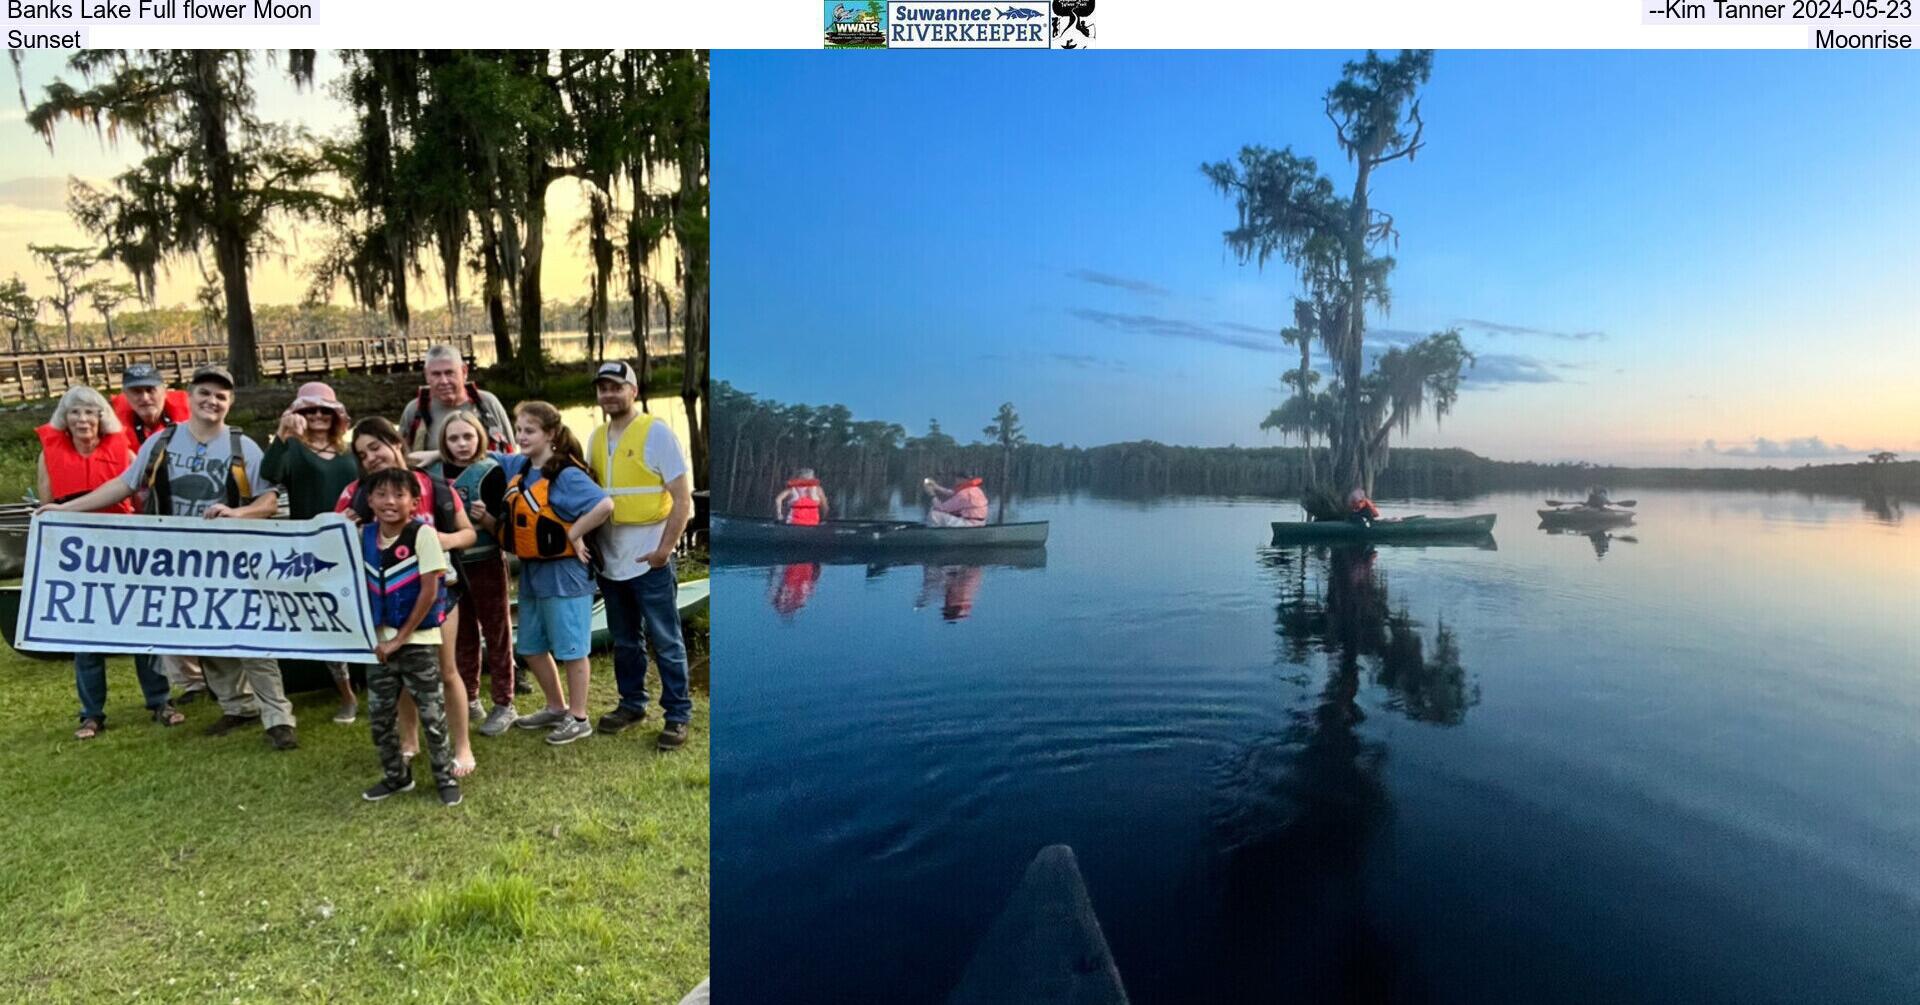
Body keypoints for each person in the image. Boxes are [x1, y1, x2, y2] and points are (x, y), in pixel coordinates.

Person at [43, 365, 295, 750]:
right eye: (204, 393)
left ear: (230, 403)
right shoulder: (161, 443)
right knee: (205, 635)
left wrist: (238, 513)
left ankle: (278, 718)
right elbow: (124, 484)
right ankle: (237, 706)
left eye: (221, 396)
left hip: (232, 557)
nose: (212, 401)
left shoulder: (243, 446)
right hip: (178, 564)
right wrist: (63, 510)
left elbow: (269, 500)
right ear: (189, 396)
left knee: (251, 636)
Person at [38, 385, 184, 739]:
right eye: (75, 413)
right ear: (65, 419)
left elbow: (142, 500)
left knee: (140, 628)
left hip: (122, 553)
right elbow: (46, 507)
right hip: (79, 557)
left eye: (91, 412)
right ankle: (91, 714)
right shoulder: (48, 456)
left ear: (102, 418)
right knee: (85, 635)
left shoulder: (126, 452)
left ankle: (160, 701)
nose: (83, 419)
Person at [337, 417, 479, 776]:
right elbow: (332, 542)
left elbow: (468, 534)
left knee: (447, 671)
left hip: (439, 592)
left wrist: (437, 541)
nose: (370, 457)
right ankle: (409, 740)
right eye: (362, 453)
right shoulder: (356, 493)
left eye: (376, 446)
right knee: (397, 669)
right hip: (387, 599)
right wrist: (345, 528)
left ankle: (462, 747)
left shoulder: (432, 485)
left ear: (396, 443)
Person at [584, 361, 696, 748]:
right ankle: (632, 703)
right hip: (611, 561)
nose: (609, 394)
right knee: (625, 640)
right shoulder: (596, 438)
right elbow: (590, 496)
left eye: (616, 386)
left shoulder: (656, 433)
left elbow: (683, 500)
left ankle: (678, 714)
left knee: (666, 639)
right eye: (602, 388)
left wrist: (664, 551)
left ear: (632, 390)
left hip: (649, 558)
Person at [496, 400, 613, 746]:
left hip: (566, 575)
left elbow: (604, 505)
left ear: (550, 434)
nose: (521, 436)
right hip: (533, 574)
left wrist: (574, 534)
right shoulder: (521, 466)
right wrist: (431, 457)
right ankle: (556, 706)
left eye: (529, 431)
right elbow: (484, 457)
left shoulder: (566, 474)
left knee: (572, 649)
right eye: (518, 430)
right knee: (530, 646)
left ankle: (578, 718)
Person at [357, 467, 461, 807]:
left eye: (399, 495)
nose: (390, 502)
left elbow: (429, 591)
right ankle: (396, 777)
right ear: (370, 500)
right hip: (378, 645)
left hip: (417, 642)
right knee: (380, 718)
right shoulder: (363, 537)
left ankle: (444, 778)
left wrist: (400, 639)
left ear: (414, 502)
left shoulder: (423, 535)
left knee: (432, 715)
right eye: (382, 494)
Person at [260, 381, 362, 724]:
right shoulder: (293, 449)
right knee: (327, 619)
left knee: (364, 614)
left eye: (324, 410)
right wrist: (283, 432)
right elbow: (270, 473)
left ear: (337, 416)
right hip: (313, 546)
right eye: (309, 410)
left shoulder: (351, 453)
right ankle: (346, 694)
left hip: (356, 541)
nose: (317, 415)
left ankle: (377, 684)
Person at [108, 361, 204, 701]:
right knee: (160, 607)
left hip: (191, 527)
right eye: (136, 391)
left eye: (151, 389)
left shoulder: (193, 424)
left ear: (165, 391)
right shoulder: (114, 432)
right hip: (145, 531)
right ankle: (190, 682)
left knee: (201, 602)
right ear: (125, 395)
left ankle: (219, 678)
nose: (145, 396)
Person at [428, 413, 517, 737]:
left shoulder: (490, 472)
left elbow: (505, 530)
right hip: (451, 567)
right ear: (444, 442)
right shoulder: (433, 475)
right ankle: (469, 697)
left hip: (486, 563)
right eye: (454, 438)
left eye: (468, 436)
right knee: (461, 634)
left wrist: (488, 518)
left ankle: (505, 702)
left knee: (497, 633)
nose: (462, 444)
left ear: (479, 437)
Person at [396, 345, 515, 468]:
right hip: (434, 485)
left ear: (464, 371)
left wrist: (439, 454)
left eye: (449, 373)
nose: (444, 381)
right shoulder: (414, 410)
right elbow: (401, 459)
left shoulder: (487, 403)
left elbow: (510, 455)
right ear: (427, 376)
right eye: (436, 374)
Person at [923, 474, 988, 528]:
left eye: (958, 478)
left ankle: (933, 535)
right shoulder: (975, 489)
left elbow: (942, 508)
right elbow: (953, 493)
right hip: (980, 523)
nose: (956, 480)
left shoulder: (964, 494)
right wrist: (936, 487)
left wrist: (932, 495)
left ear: (963, 480)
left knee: (934, 514)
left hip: (969, 524)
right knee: (948, 514)